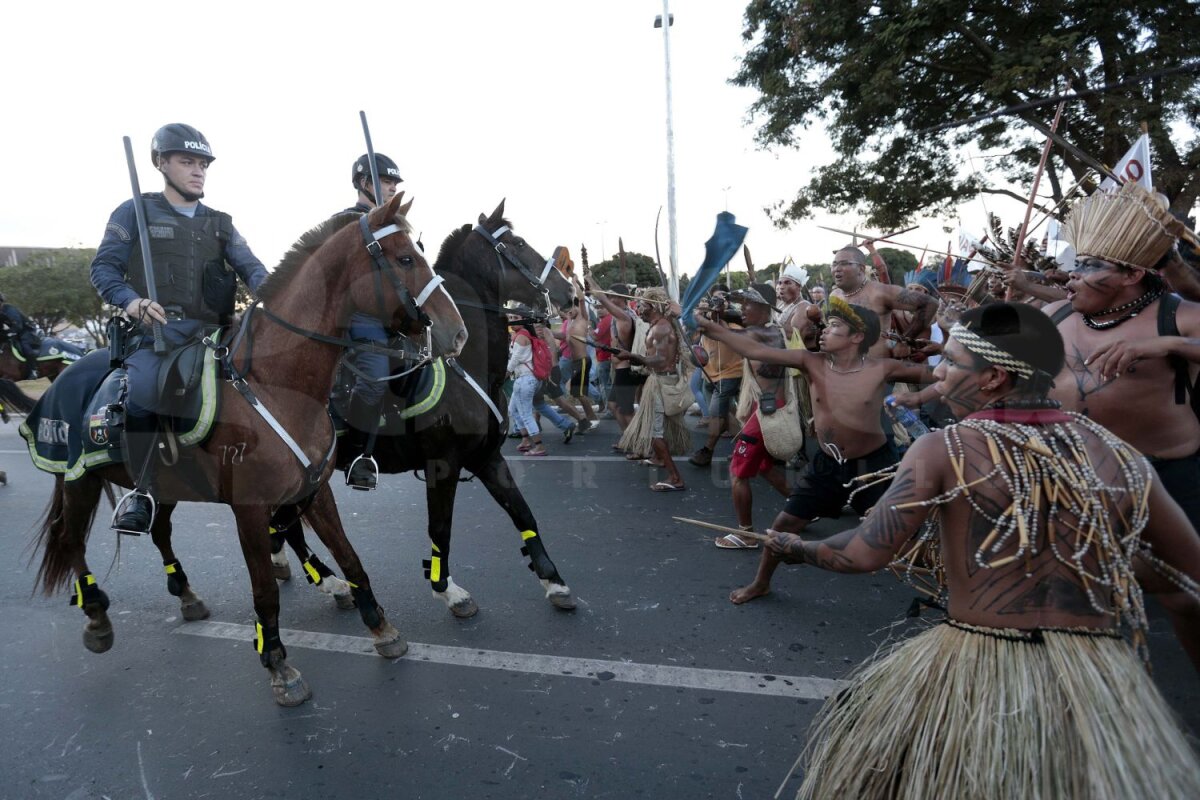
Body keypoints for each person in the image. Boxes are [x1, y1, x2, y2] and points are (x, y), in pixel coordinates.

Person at [769, 302, 1200, 799]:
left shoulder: (945, 448)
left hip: (978, 669)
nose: (941, 374)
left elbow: (863, 554)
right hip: (1095, 686)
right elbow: (1187, 589)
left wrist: (796, 548)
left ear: (994, 377)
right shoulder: (1120, 457)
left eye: (951, 362)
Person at [1043, 182, 1200, 670]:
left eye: (1090, 266)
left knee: (1186, 597)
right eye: (1078, 263)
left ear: (1133, 272)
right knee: (1072, 591)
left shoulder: (1179, 317)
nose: (1073, 276)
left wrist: (1168, 346)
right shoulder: (1055, 314)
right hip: (1075, 473)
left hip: (1165, 475)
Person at [90, 123, 268, 535]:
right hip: (159, 333)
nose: (198, 171)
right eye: (187, 162)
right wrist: (132, 302)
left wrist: (274, 294)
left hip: (216, 332)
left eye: (202, 164)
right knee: (146, 391)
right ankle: (143, 490)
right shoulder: (133, 211)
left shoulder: (221, 223)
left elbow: (254, 269)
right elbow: (103, 268)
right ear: (161, 163)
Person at [694, 296, 932, 601]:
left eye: (833, 326)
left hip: (873, 468)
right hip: (827, 465)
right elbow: (755, 350)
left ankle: (953, 585)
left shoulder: (882, 368)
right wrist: (711, 327)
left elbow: (939, 376)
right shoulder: (811, 361)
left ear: (857, 337)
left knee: (900, 539)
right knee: (782, 526)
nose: (823, 330)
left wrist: (939, 364)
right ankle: (761, 583)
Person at [702, 285, 794, 547]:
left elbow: (716, 332)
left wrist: (688, 315)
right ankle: (803, 509)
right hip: (767, 406)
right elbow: (726, 321)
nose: (743, 308)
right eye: (742, 304)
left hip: (765, 410)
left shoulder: (758, 333)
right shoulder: (773, 331)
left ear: (764, 309)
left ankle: (746, 534)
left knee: (738, 473)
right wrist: (718, 313)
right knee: (763, 466)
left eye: (748, 304)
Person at [341, 152, 403, 489]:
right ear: (365, 183)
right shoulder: (345, 221)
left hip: (398, 316)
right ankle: (356, 455)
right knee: (374, 379)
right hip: (360, 315)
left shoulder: (396, 224)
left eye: (394, 182)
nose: (393, 187)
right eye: (386, 180)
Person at [615, 287, 687, 491]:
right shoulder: (658, 325)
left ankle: (675, 478)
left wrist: (630, 357)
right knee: (658, 426)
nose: (639, 309)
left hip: (661, 382)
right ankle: (658, 458)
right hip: (659, 380)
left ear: (653, 306)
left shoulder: (661, 328)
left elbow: (660, 360)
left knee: (655, 432)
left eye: (642, 305)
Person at [830, 243, 938, 359]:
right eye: (834, 264)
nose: (837, 269)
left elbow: (930, 303)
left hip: (877, 369)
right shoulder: (834, 295)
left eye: (844, 264)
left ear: (861, 268)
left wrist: (904, 341)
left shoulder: (880, 292)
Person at [587, 279, 642, 432]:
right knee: (613, 406)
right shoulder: (618, 316)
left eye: (613, 296)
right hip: (619, 369)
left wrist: (592, 282)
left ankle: (637, 443)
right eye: (608, 296)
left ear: (622, 297)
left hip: (626, 370)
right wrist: (590, 279)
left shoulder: (625, 316)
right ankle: (627, 438)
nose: (609, 299)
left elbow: (602, 298)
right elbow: (602, 297)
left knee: (626, 410)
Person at [506, 321, 547, 457]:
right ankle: (525, 440)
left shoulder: (521, 337)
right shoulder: (524, 334)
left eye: (515, 317)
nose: (512, 320)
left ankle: (539, 446)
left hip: (524, 379)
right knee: (513, 410)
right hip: (527, 379)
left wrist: (504, 374)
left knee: (526, 414)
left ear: (523, 321)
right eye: (510, 316)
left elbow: (514, 360)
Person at [0, 291, 42, 369]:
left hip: (26, 331)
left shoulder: (10, 310)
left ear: (1, 301)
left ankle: (33, 370)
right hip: (15, 332)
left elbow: (18, 326)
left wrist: (8, 333)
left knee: (26, 348)